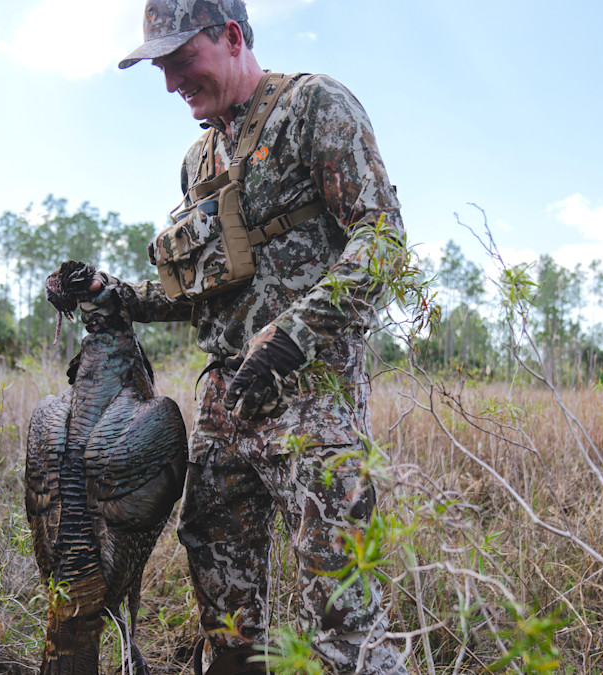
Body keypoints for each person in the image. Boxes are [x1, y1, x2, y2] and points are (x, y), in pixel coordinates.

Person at [77, 0, 408, 672]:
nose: (171, 82)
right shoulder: (199, 158)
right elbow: (196, 294)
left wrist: (290, 337)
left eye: (180, 60)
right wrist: (110, 295)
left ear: (230, 37)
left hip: (314, 397)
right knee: (223, 607)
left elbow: (383, 240)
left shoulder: (315, 107)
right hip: (225, 406)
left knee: (342, 613)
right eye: (160, 67)